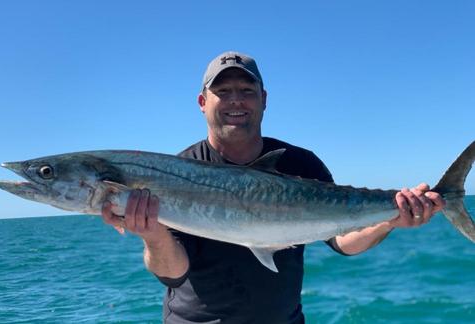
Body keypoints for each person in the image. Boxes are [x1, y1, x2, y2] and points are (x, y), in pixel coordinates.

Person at [101, 51, 445, 323]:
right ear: (202, 102)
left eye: (246, 91)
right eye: (223, 92)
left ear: (263, 99)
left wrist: (389, 219)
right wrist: (153, 235)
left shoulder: (300, 164)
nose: (236, 100)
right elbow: (173, 274)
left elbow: (341, 242)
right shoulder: (175, 170)